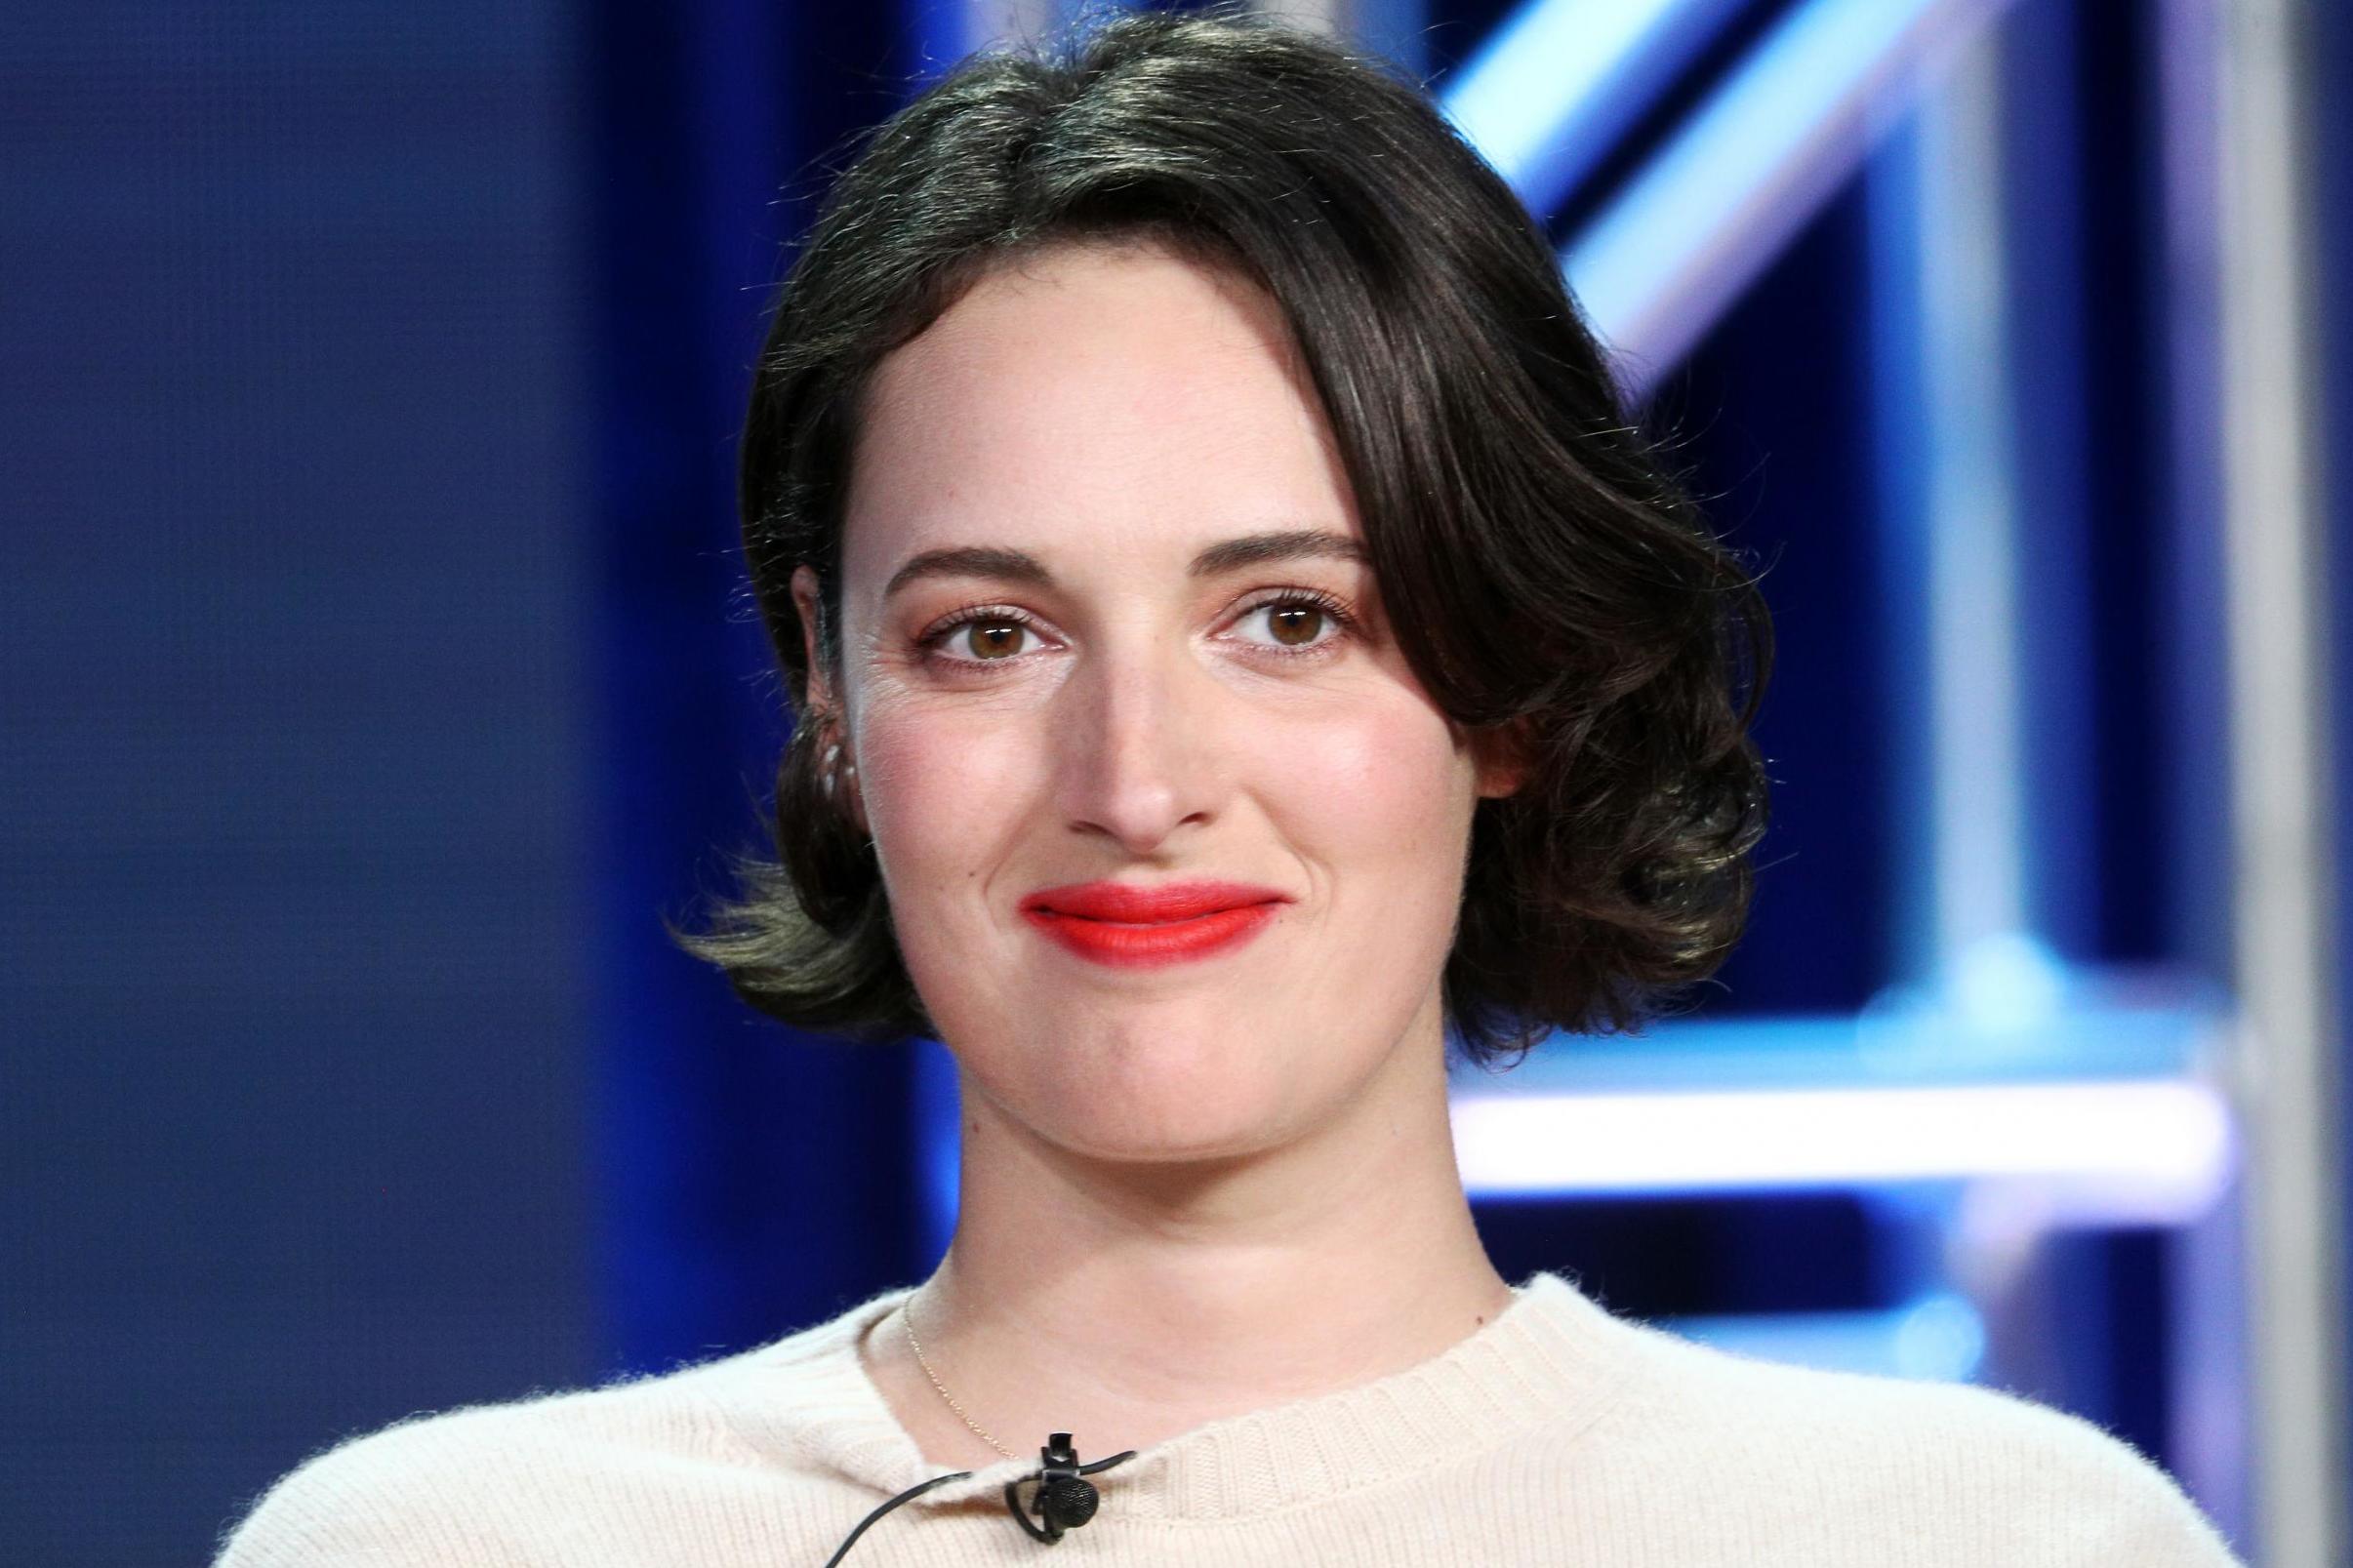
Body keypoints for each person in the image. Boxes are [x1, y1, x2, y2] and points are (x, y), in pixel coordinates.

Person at [214, 8, 2244, 1565]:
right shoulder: (449, 1546)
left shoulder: (1977, 1542)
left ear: (1512, 680)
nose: (1136, 778)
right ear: (826, 696)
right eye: (987, 636)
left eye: (1290, 619)